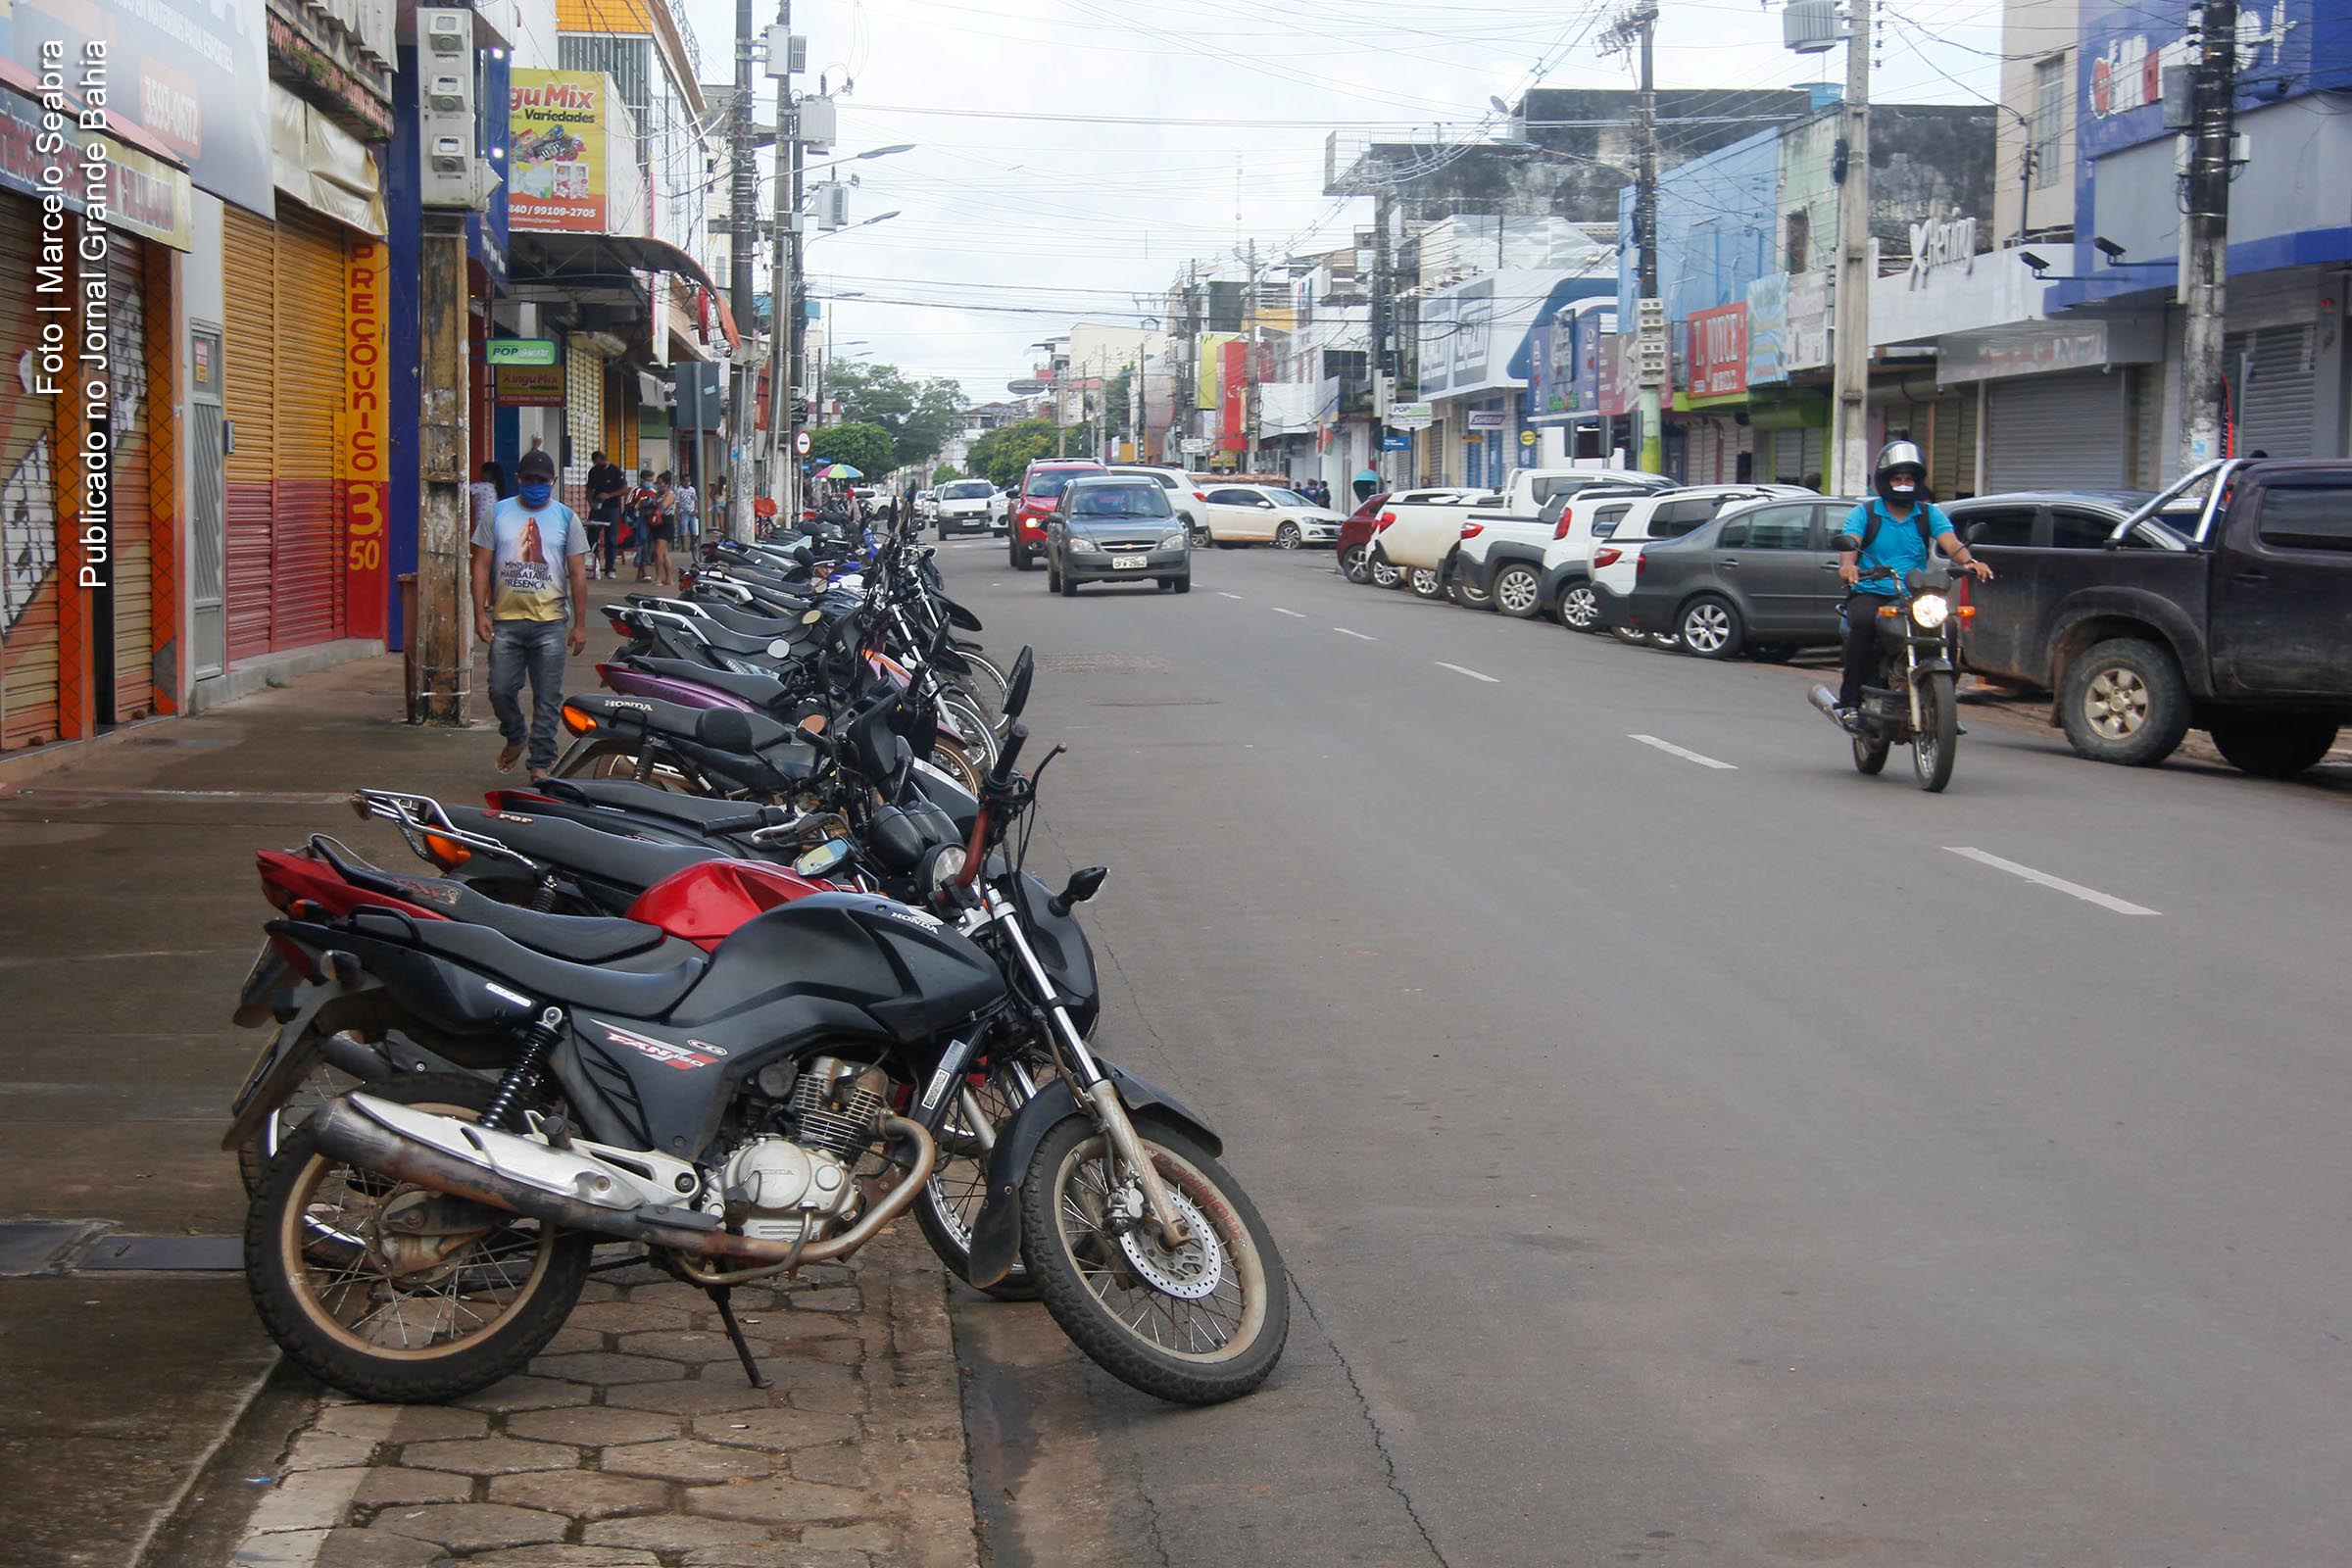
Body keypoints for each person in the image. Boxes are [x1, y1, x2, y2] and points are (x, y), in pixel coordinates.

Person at [1830, 440, 1994, 730]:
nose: (1903, 484)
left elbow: (1951, 543)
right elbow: (1851, 542)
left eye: (1909, 479)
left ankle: (1942, 705)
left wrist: (1970, 562)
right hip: (1873, 592)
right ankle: (1851, 703)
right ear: (1885, 481)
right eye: (1897, 478)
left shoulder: (1929, 514)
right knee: (1864, 625)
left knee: (1949, 628)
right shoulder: (1865, 513)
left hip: (1915, 596)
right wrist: (1849, 565)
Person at [471, 447, 590, 779]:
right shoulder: (497, 514)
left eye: (542, 480)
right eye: (529, 479)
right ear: (517, 479)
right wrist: (479, 612)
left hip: (551, 624)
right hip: (506, 621)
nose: (535, 485)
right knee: (499, 688)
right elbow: (480, 564)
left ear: (552, 482)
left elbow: (578, 573)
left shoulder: (566, 518)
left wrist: (580, 625)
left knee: (547, 697)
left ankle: (540, 763)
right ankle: (515, 735)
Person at [584, 449, 625, 579]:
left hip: (611, 508)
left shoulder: (615, 471)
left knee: (611, 539)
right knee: (592, 537)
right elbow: (589, 488)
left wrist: (609, 495)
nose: (597, 465)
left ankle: (610, 568)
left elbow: (624, 489)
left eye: (598, 462)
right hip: (597, 508)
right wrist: (590, 502)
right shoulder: (594, 471)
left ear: (603, 459)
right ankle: (592, 566)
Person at [649, 471, 678, 587]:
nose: (658, 485)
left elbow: (662, 507)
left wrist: (653, 504)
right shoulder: (657, 494)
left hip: (665, 524)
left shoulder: (669, 495)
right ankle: (669, 579)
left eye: (660, 483)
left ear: (666, 484)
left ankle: (658, 578)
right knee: (664, 553)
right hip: (657, 525)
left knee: (658, 553)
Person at [468, 460, 508, 535]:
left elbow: (465, 488)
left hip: (483, 523)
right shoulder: (494, 488)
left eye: (482, 472)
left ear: (488, 474)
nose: (480, 475)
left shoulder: (484, 486)